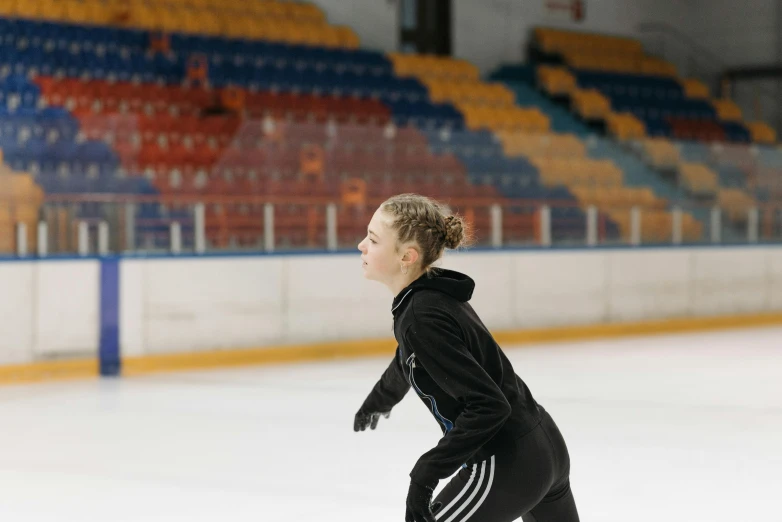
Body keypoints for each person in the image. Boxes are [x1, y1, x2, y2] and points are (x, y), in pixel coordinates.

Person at [354, 194, 580, 522]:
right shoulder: (429, 298)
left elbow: (489, 406)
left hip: (506, 460)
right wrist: (381, 398)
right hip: (544, 443)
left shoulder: (421, 314)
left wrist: (424, 475)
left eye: (373, 240)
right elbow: (412, 356)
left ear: (407, 256)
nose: (362, 245)